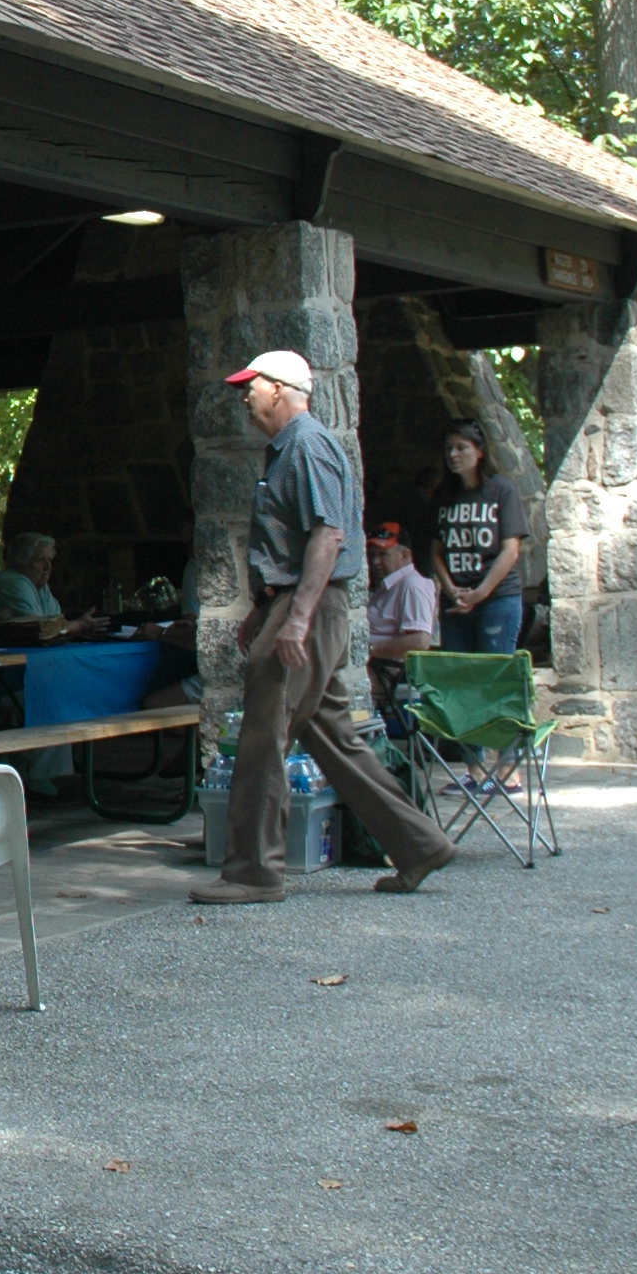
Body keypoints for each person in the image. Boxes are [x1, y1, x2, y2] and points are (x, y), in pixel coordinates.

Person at [190, 350, 455, 905]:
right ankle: (418, 843)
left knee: (263, 736)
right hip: (297, 604)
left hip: (309, 606)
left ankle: (252, 873)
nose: (245, 395)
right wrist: (264, 612)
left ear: (283, 390)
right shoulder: (289, 449)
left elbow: (328, 536)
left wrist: (297, 619)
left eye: (252, 386)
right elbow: (292, 546)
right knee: (332, 734)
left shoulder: (307, 446)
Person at [432, 420, 529, 652]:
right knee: (460, 676)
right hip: (456, 600)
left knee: (493, 674)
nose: (453, 454)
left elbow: (511, 550)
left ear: (480, 451)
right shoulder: (444, 494)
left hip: (497, 598)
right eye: (448, 449)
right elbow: (436, 551)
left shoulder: (501, 490)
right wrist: (451, 590)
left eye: (461, 447)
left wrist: (481, 593)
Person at [0, 532, 103, 642]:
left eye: (50, 560)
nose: (48, 567)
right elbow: (41, 629)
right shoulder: (11, 582)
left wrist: (72, 628)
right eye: (40, 561)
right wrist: (79, 624)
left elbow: (56, 627)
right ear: (20, 562)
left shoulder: (40, 587)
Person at [364, 523, 438, 700]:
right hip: (371, 666)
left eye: (383, 555)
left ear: (405, 555)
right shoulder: (390, 585)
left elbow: (419, 641)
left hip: (381, 671)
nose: (375, 562)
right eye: (372, 555)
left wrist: (368, 650)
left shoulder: (411, 586)